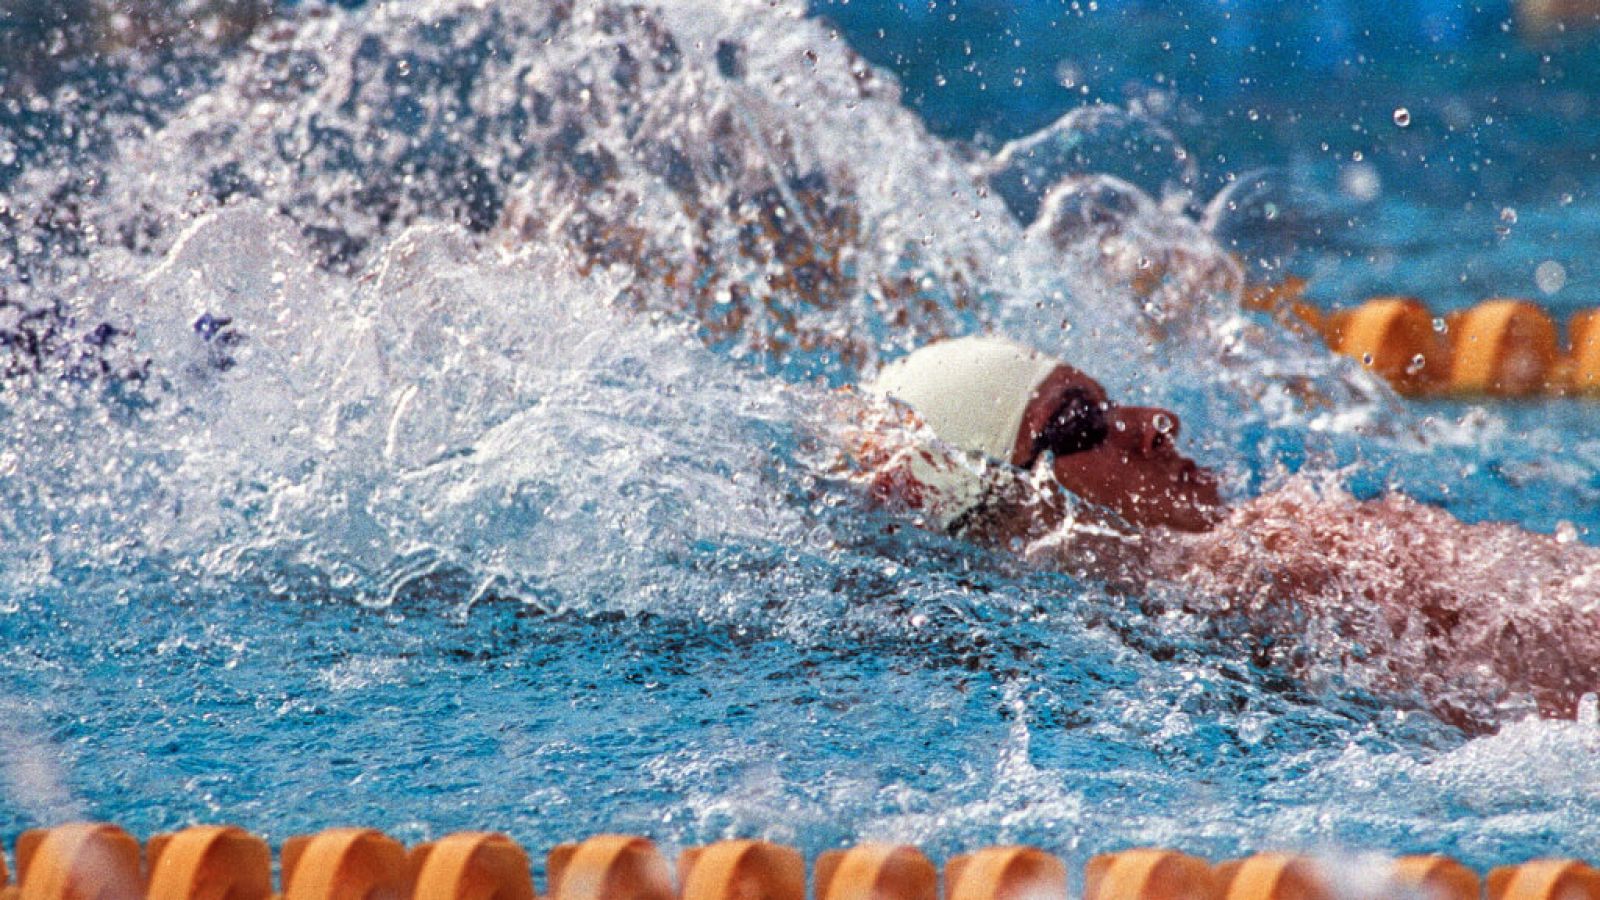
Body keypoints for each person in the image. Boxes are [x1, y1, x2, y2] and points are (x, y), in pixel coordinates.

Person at [847, 335, 1600, 732]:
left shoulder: (1283, 547)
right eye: (1082, 423)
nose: (1154, 426)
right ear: (1011, 504)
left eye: (1110, 402)